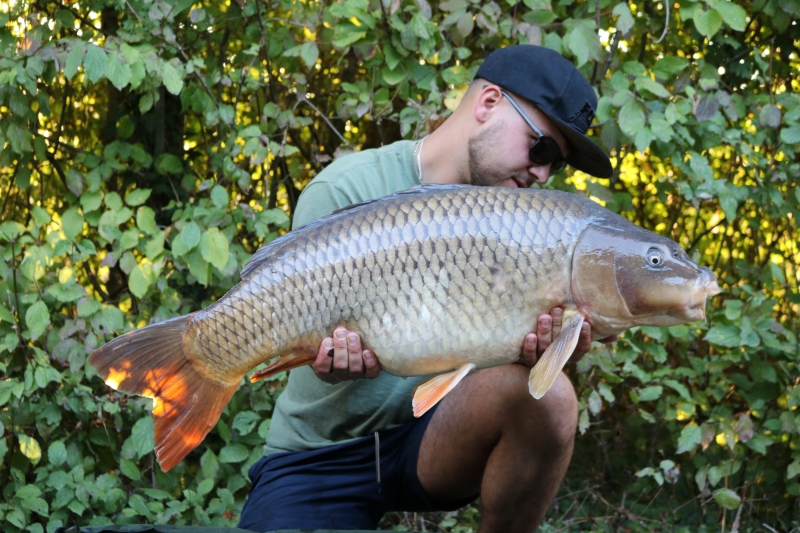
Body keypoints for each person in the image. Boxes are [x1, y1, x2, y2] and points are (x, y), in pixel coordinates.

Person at [238, 45, 615, 533]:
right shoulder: (348, 189)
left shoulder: (532, 228)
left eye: (555, 165)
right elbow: (310, 341)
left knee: (552, 398)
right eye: (540, 148)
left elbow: (506, 375)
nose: (542, 174)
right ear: (488, 103)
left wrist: (548, 352)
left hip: (434, 438)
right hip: (321, 452)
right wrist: (326, 358)